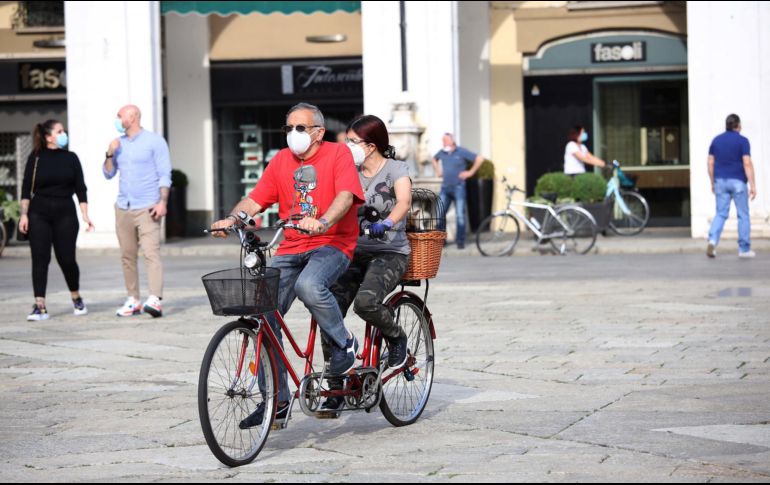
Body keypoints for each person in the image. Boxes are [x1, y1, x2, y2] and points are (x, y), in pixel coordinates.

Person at [210, 102, 365, 428]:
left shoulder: (338, 155)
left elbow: (346, 197)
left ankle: (344, 344)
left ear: (319, 132)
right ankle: (276, 400)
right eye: (288, 128)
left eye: (300, 128)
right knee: (261, 307)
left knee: (308, 285)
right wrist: (233, 218)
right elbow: (255, 200)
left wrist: (322, 221)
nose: (293, 134)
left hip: (332, 243)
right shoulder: (281, 160)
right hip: (291, 245)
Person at [318, 115, 412, 415]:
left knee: (367, 303)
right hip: (353, 252)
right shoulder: (349, 171)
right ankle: (336, 386)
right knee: (326, 306)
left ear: (371, 146)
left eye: (353, 142)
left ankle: (396, 337)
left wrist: (387, 223)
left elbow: (403, 202)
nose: (347, 146)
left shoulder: (396, 169)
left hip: (390, 251)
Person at [19, 120, 94, 321]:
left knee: (67, 259)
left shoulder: (71, 158)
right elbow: (26, 188)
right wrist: (24, 214)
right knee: (40, 258)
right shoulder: (35, 158)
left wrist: (85, 214)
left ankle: (76, 297)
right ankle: (40, 305)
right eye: (60, 131)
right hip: (39, 213)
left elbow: (81, 188)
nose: (64, 134)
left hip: (65, 213)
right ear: (48, 136)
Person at [103, 105, 172, 317]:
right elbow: (108, 174)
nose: (117, 118)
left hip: (148, 207)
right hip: (123, 207)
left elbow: (164, 173)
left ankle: (155, 299)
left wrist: (162, 201)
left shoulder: (154, 141)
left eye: (119, 114)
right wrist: (109, 153)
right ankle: (133, 299)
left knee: (151, 253)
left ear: (132, 117)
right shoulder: (118, 144)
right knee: (127, 255)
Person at [707, 113, 757, 259]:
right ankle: (744, 249)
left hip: (720, 181)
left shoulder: (716, 140)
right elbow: (746, 163)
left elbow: (710, 163)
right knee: (743, 215)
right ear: (738, 125)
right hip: (738, 182)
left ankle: (712, 241)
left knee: (721, 213)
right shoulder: (743, 141)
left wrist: (712, 181)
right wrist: (753, 185)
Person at [431, 133, 485, 249]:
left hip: (458, 187)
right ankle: (442, 241)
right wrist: (438, 170)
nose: (443, 143)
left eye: (445, 140)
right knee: (440, 213)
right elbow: (434, 159)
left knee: (460, 215)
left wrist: (470, 173)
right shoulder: (442, 152)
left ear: (452, 141)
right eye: (443, 140)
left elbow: (479, 159)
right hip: (445, 188)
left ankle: (460, 241)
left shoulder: (461, 151)